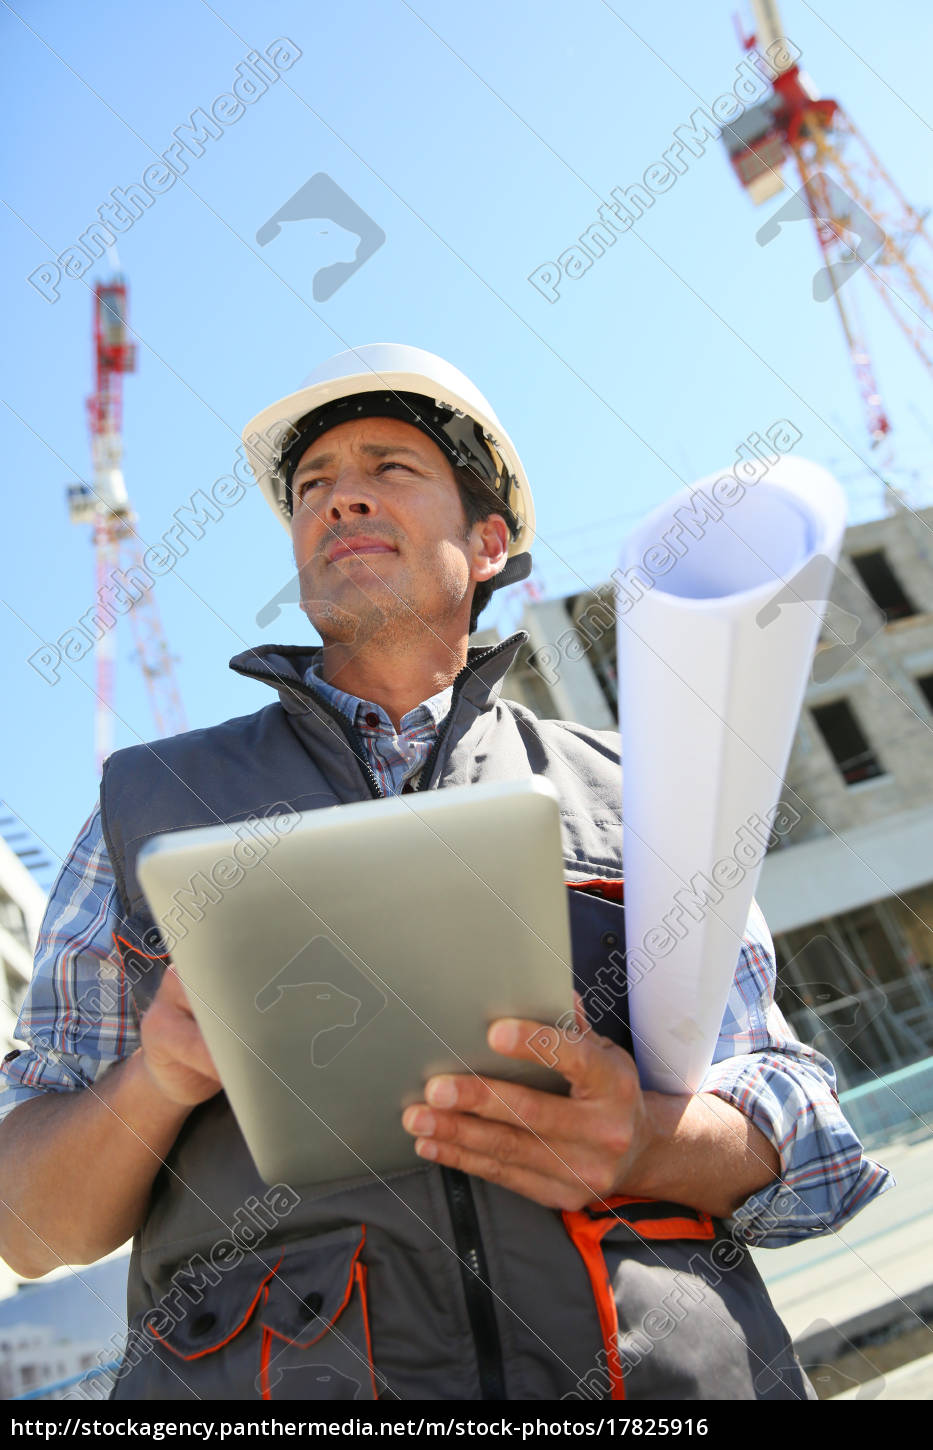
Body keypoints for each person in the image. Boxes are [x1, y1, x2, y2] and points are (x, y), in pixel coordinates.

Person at [0, 345, 890, 1401]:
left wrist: (647, 1143)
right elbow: (27, 1224)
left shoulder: (638, 789)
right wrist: (159, 1077)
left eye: (389, 467)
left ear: (488, 540)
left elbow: (809, 1138)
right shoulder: (146, 808)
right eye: (314, 486)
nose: (341, 498)